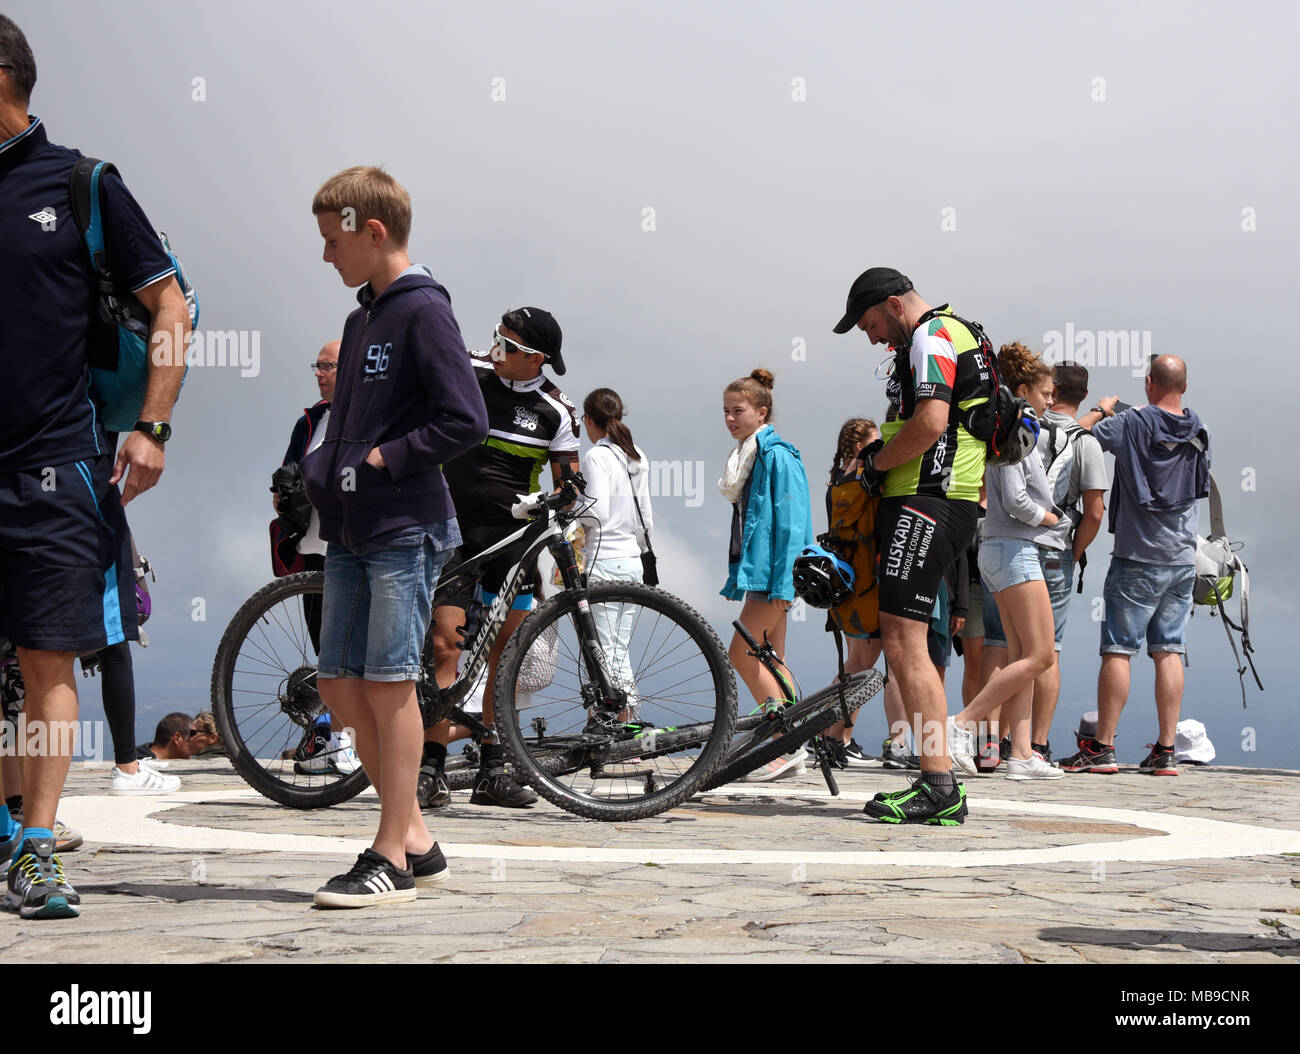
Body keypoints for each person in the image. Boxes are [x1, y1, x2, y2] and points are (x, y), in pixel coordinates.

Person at [0, 17, 190, 918]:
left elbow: (170, 304)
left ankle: (38, 847)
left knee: (48, 658)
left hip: (49, 462)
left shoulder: (81, 183)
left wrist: (152, 424)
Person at [302, 165, 488, 907]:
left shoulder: (423, 311)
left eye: (332, 239)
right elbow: (352, 422)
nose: (325, 256)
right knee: (338, 686)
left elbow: (465, 418)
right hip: (350, 527)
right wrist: (325, 463)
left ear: (371, 232)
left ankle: (391, 856)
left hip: (405, 526)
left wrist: (385, 459)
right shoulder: (360, 320)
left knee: (386, 685)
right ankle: (414, 833)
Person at [833, 268, 984, 824]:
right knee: (906, 643)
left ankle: (938, 784)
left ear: (895, 305)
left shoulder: (930, 335)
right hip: (943, 500)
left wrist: (873, 464)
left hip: (928, 499)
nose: (872, 338)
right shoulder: (954, 331)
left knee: (903, 642)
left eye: (871, 325)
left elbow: (931, 420)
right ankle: (937, 778)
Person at [419, 307, 579, 810]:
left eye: (505, 342)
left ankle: (492, 767)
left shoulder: (557, 410)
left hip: (512, 542)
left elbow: (570, 486)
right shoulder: (470, 369)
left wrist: (560, 501)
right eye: (495, 336)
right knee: (446, 647)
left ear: (535, 358)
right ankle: (431, 765)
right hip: (453, 533)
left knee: (503, 659)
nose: (494, 347)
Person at [1063, 355, 1209, 776]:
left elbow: (1078, 434)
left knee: (1118, 650)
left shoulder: (1130, 424)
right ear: (1185, 384)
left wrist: (1104, 408)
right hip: (1182, 557)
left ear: (1149, 383)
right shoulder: (1199, 429)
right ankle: (1165, 750)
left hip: (1137, 554)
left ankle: (1103, 747)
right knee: (1169, 651)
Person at [949, 343, 1065, 781]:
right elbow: (1017, 499)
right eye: (1046, 392)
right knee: (1040, 655)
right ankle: (961, 724)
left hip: (1003, 548)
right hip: (1013, 548)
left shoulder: (1013, 425)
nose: (1050, 399)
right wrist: (1051, 518)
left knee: (1021, 653)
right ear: (1023, 389)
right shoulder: (1015, 426)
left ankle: (1020, 754)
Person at [718, 369, 814, 783]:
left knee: (739, 654)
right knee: (773, 659)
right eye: (724, 411)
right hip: (766, 574)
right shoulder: (752, 454)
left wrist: (785, 583)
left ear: (762, 411)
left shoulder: (775, 455)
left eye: (737, 411)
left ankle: (784, 743)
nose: (729, 419)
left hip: (772, 576)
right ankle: (794, 742)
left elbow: (793, 523)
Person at [272, 338, 360, 777]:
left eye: (326, 366)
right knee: (327, 652)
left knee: (351, 651)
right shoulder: (308, 422)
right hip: (312, 551)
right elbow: (286, 476)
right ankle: (330, 738)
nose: (318, 373)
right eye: (317, 365)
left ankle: (344, 739)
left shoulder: (368, 417)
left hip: (354, 548)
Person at [1027, 360, 1108, 760]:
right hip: (1057, 550)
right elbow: (1095, 511)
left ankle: (1004, 741)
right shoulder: (1087, 443)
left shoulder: (1028, 428)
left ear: (1051, 391)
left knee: (1012, 645)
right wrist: (1075, 554)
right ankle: (1038, 744)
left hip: (1016, 543)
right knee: (1048, 649)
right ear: (1084, 396)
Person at [817, 418, 886, 767]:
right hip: (868, 584)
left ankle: (832, 736)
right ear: (861, 447)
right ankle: (835, 739)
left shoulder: (837, 482)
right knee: (862, 668)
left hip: (846, 582)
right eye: (876, 443)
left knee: (854, 664)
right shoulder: (865, 482)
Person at [579, 389, 654, 709]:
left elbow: (597, 513)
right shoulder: (635, 454)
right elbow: (645, 518)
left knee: (601, 650)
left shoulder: (596, 456)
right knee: (618, 648)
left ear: (588, 421)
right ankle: (627, 723)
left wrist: (573, 509)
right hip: (632, 561)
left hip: (603, 559)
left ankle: (614, 724)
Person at [134, 712, 207, 765]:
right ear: (177, 738)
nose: (195, 738)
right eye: (192, 734)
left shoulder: (136, 756)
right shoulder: (140, 766)